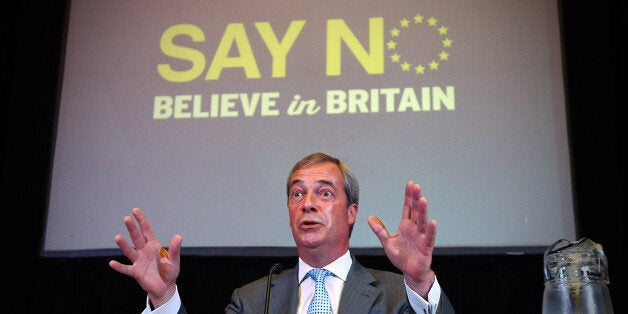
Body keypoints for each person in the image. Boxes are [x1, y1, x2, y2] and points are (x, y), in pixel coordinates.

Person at [109, 152, 454, 313]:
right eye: (297, 193)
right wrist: (165, 299)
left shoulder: (399, 295)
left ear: (352, 212)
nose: (308, 203)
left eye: (324, 192)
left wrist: (421, 282)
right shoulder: (253, 300)